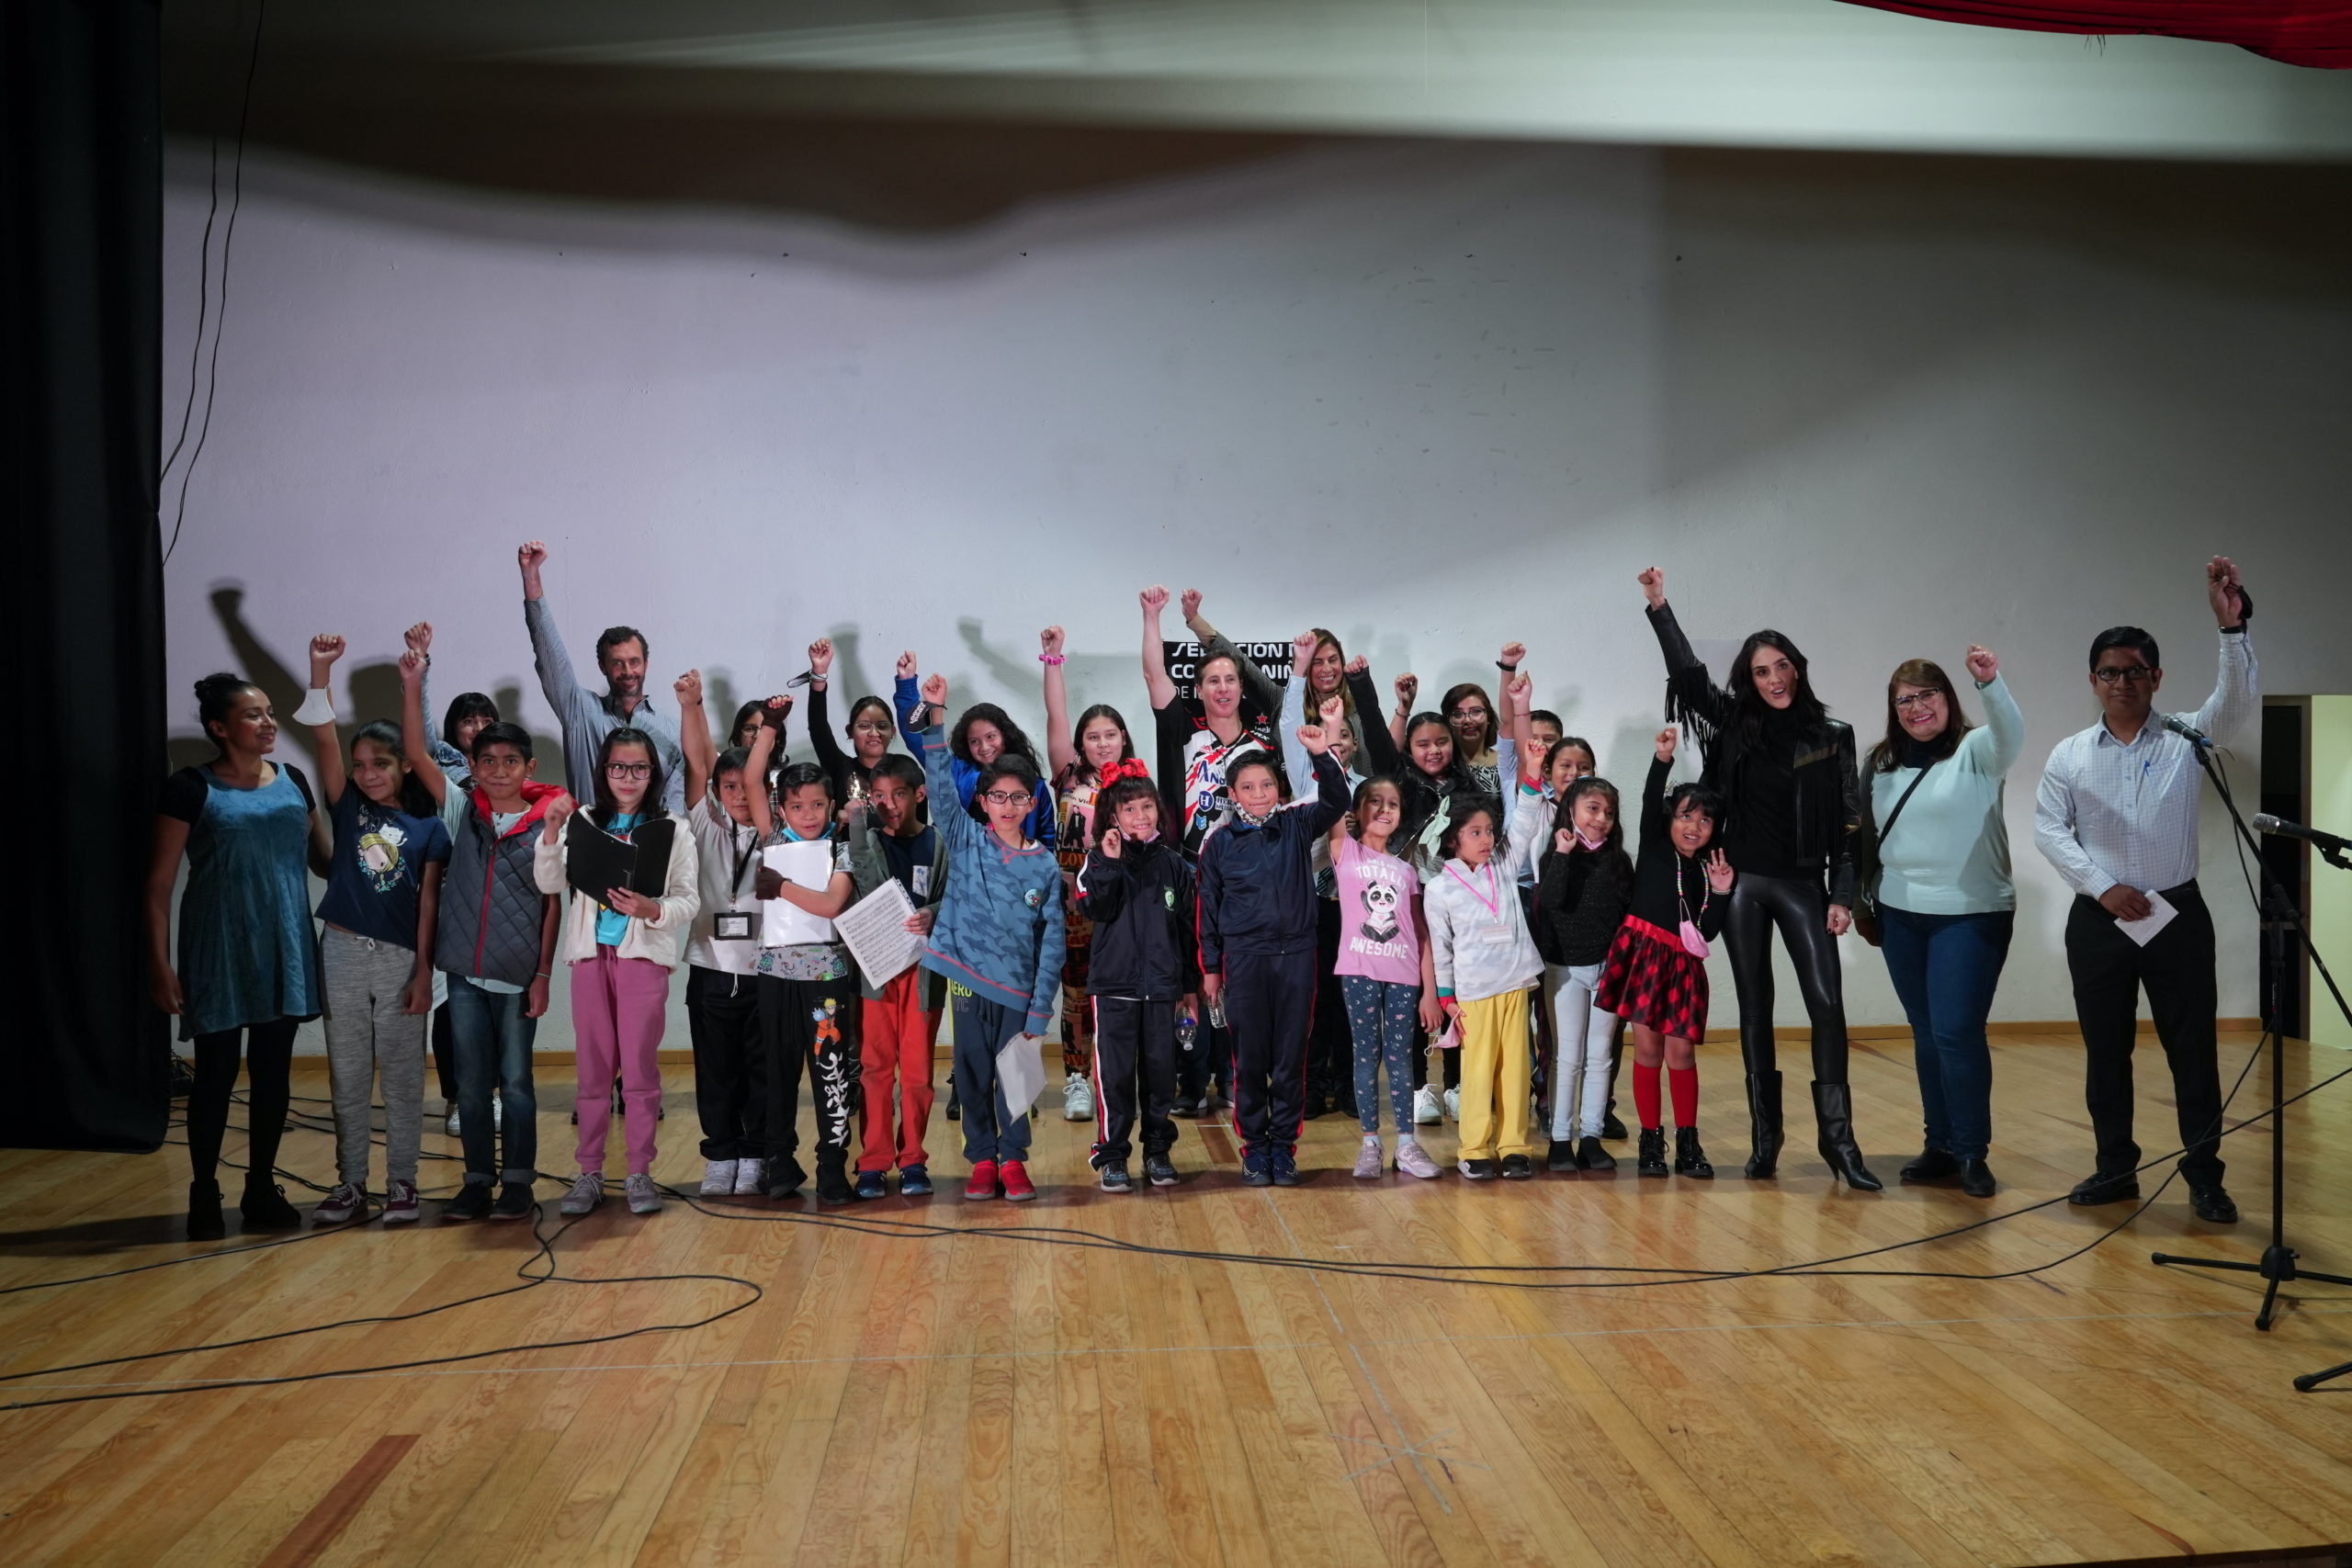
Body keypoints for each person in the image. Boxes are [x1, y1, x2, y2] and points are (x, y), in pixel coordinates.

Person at [1638, 565, 1877, 1189]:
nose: (1773, 678)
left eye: (1781, 666)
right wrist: (1661, 608)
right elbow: (1690, 682)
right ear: (1750, 679)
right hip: (1740, 880)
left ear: (1797, 669)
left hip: (1802, 883)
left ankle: (1839, 1143)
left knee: (1827, 1003)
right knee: (1755, 1008)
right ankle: (1764, 1139)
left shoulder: (1833, 736)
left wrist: (1843, 896)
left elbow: (1850, 825)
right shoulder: (1734, 725)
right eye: (1761, 670)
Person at [2033, 558, 2256, 1224]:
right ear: (2093, 681)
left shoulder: (2188, 735)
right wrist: (2103, 888)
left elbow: (2238, 702)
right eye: (2109, 672)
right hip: (2099, 920)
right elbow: (2049, 829)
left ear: (2156, 677)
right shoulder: (2070, 753)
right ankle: (2115, 1168)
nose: (2121, 681)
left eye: (2134, 670)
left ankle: (2205, 1175)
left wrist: (2232, 630)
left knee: (2192, 1050)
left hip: (2176, 914)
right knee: (2107, 1050)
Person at [148, 672, 323, 1240]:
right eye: (254, 715)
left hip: (285, 944)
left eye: (270, 712)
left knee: (273, 1072)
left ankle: (260, 1186)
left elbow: (326, 860)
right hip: (219, 946)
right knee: (217, 1073)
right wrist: (159, 964)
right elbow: (158, 884)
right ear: (220, 728)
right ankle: (204, 1189)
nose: (269, 722)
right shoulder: (189, 787)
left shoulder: (294, 780)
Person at [401, 653, 560, 1222]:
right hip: (463, 975)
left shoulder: (548, 823)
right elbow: (416, 754)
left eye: (510, 761)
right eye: (487, 760)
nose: (497, 770)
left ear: (528, 766)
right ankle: (475, 1180)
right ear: (471, 763)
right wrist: (414, 681)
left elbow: (550, 907)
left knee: (516, 1085)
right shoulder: (460, 808)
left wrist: (542, 976)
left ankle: (517, 1182)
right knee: (470, 1086)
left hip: (518, 978)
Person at [299, 635, 450, 1227]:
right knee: (349, 1074)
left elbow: (429, 907)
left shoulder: (427, 826)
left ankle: (403, 1183)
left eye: (379, 764)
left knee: (404, 1074)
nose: (366, 774)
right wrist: (319, 672)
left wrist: (423, 972)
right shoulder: (347, 805)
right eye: (359, 765)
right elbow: (320, 738)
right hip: (340, 950)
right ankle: (351, 1183)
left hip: (398, 961)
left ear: (405, 765)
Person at [1864, 646, 2025, 1200]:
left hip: (1970, 914)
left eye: (1927, 695)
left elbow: (2012, 732)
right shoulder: (1880, 763)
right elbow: (1863, 837)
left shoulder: (1978, 751)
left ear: (1948, 699)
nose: (1917, 708)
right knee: (1928, 1034)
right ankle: (1940, 1144)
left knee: (1957, 1033)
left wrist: (1990, 683)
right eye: (1904, 700)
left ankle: (1972, 1151)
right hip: (1901, 914)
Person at [913, 671, 1066, 1202]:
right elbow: (937, 787)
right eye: (996, 796)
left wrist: (1041, 1007)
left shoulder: (1044, 866)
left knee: (1016, 1079)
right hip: (967, 985)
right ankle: (981, 1158)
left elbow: (1053, 943)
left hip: (1019, 993)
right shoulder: (964, 838)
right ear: (982, 802)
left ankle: (1014, 1159)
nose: (1006, 805)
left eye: (1018, 797)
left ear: (1032, 803)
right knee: (972, 1074)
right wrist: (934, 717)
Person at [536, 728, 700, 1218]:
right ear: (604, 771)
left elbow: (688, 899)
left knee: (640, 1072)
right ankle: (588, 1171)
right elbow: (549, 881)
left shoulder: (673, 827)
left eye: (639, 768)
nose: (628, 777)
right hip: (591, 958)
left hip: (642, 961)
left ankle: (638, 1171)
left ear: (653, 774)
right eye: (618, 767)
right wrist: (549, 832)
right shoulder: (585, 820)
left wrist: (653, 909)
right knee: (592, 1069)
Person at [1140, 585, 1278, 1115]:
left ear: (1242, 688)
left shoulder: (1264, 741)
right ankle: (1193, 1080)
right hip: (1189, 867)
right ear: (1198, 689)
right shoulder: (1183, 729)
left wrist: (1204, 622)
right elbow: (1156, 675)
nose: (1222, 688)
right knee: (1191, 981)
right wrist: (1153, 617)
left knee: (1237, 976)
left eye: (1230, 680)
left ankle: (1234, 1075)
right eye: (1212, 680)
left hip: (1248, 875)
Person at [1197, 722, 1351, 1187]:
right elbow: (1206, 910)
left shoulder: (1296, 823)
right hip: (1244, 961)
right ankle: (1254, 1147)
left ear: (1279, 789)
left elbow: (1338, 801)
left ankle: (1283, 1148)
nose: (1259, 793)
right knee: (1250, 1058)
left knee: (1290, 1057)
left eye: (1266, 784)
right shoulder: (1219, 844)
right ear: (1233, 794)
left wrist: (1323, 755)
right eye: (1248, 787)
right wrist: (1209, 969)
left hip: (1297, 958)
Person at [1597, 728, 1736, 1179]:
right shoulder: (1656, 846)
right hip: (1643, 957)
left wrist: (1720, 893)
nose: (1692, 826)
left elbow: (1708, 933)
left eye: (1704, 821)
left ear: (1715, 829)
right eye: (1684, 816)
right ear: (1668, 819)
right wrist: (1662, 759)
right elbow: (1650, 798)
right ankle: (1650, 1143)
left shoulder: (1709, 870)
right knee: (1648, 1052)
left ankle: (1689, 1144)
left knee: (1682, 1055)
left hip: (1682, 968)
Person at [743, 709, 860, 1203]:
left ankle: (833, 1166)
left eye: (817, 804)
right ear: (782, 808)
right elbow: (751, 778)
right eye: (797, 805)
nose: (808, 814)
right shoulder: (772, 838)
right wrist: (768, 725)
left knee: (829, 1069)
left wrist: (783, 887)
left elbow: (832, 903)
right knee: (778, 1069)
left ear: (831, 804)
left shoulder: (843, 847)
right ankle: (780, 1161)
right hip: (774, 974)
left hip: (827, 975)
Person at [1072, 776, 1200, 1191]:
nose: (1140, 816)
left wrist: (1189, 989)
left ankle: (1157, 1149)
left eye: (1146, 807)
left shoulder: (1175, 866)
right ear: (1113, 817)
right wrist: (1110, 862)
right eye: (1129, 809)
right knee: (1116, 1077)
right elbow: (1094, 907)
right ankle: (1111, 1154)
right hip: (1113, 989)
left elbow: (1186, 932)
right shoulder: (1099, 861)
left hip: (1163, 989)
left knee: (1162, 1074)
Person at [675, 670, 770, 1199]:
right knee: (715, 1069)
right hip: (710, 969)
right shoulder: (704, 824)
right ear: (714, 792)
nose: (737, 794)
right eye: (727, 787)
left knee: (758, 1067)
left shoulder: (774, 830)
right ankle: (721, 1153)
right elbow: (699, 758)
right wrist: (694, 705)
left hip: (760, 972)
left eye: (745, 786)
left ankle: (754, 1152)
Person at [404, 621, 499, 1136]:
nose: (477, 724)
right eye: (469, 719)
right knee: (447, 1003)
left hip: (497, 897)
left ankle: (495, 1094)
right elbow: (416, 733)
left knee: (498, 1001)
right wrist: (421, 666)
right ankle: (458, 1097)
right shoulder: (440, 761)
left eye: (486, 717)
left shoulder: (506, 768)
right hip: (442, 894)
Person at [1042, 623, 1137, 1124]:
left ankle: (1117, 1076)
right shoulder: (1069, 776)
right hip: (1073, 897)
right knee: (1076, 989)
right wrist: (1054, 659)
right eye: (1092, 737)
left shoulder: (1138, 780)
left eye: (1110, 735)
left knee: (1119, 989)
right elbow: (1055, 715)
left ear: (1123, 738)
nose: (1102, 743)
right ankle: (1078, 1078)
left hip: (1123, 897)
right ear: (1081, 743)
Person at [1329, 771, 1445, 1179]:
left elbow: (1421, 934)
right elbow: (1329, 790)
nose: (1383, 809)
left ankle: (1408, 1146)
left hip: (1404, 975)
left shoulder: (1407, 871)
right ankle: (1370, 1144)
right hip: (1359, 970)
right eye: (1374, 802)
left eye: (1392, 804)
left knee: (1400, 1058)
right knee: (1367, 1054)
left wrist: (1430, 991)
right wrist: (1329, 737)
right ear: (1357, 812)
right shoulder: (1345, 851)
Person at [1424, 796, 1546, 1179]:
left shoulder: (1504, 867)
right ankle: (1473, 1148)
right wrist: (1446, 996)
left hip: (1514, 985)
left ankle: (1513, 1146)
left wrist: (1529, 777)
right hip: (1473, 996)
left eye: (1490, 831)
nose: (1486, 839)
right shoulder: (1440, 889)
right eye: (1475, 833)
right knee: (1476, 1075)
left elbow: (1525, 823)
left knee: (1514, 1072)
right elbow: (1440, 948)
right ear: (1452, 840)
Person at [845, 753, 950, 1199]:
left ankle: (912, 1159)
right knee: (874, 1069)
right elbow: (864, 887)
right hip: (878, 976)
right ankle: (872, 1161)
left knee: (918, 1074)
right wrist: (854, 827)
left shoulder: (938, 844)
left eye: (899, 795)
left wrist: (933, 913)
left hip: (924, 975)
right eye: (879, 796)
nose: (889, 805)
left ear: (918, 795)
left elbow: (956, 902)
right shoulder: (865, 840)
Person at [517, 539, 686, 810]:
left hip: (652, 847)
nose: (628, 671)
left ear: (646, 664)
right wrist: (532, 578)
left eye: (634, 662)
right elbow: (550, 657)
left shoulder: (673, 731)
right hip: (591, 846)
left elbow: (675, 808)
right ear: (603, 667)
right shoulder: (581, 712)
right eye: (618, 663)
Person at [1531, 776, 1634, 1172]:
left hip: (1609, 971)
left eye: (1609, 812)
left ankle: (1591, 1136)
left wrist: (1619, 965)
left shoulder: (1619, 861)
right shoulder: (1556, 855)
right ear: (1571, 810)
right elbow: (1553, 900)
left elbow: (1626, 917)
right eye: (1592, 808)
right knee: (1567, 1056)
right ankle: (1560, 1139)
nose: (1601, 818)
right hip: (1565, 970)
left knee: (1601, 1057)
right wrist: (1562, 854)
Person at [804, 637, 899, 807]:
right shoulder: (840, 767)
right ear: (850, 731)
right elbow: (818, 728)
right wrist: (819, 674)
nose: (874, 733)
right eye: (864, 726)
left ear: (893, 731)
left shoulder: (905, 771)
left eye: (882, 726)